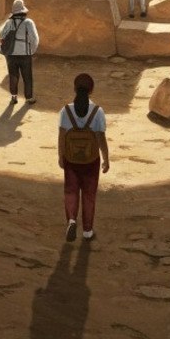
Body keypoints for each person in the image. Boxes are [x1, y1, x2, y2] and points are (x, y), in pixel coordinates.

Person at [59, 73, 110, 241]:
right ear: (92, 90)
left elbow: (61, 136)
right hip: (91, 159)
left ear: (74, 88)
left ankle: (72, 220)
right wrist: (106, 159)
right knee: (89, 195)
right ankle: (87, 231)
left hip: (71, 158)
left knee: (71, 191)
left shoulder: (66, 111)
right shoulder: (98, 111)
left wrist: (61, 156)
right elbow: (101, 138)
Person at [0, 0, 40, 105]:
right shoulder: (28, 22)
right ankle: (29, 98)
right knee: (27, 76)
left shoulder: (9, 22)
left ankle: (14, 97)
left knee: (13, 75)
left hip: (11, 53)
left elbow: (1, 35)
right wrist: (32, 50)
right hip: (25, 53)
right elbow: (35, 39)